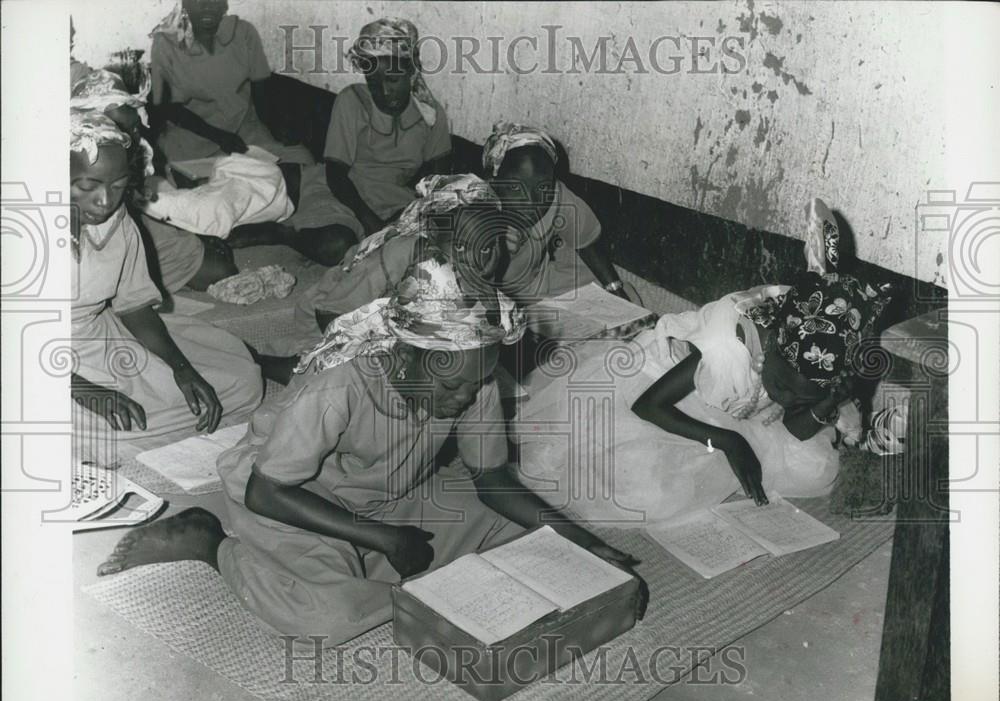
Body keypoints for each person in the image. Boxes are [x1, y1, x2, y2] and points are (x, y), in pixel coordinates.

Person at [97, 258, 645, 646]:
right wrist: (382, 537)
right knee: (327, 617)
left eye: (474, 384)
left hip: (388, 492)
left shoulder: (471, 375)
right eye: (452, 386)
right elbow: (269, 489)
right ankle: (211, 542)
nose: (464, 399)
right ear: (407, 354)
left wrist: (581, 540)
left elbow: (492, 479)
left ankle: (378, 565)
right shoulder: (341, 383)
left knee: (526, 529)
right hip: (294, 501)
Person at [511, 199, 894, 526]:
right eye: (789, 386)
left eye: (803, 394)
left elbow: (792, 425)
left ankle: (715, 452)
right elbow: (648, 405)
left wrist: (826, 404)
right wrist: (728, 441)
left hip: (735, 409)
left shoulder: (804, 364)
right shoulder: (725, 344)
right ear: (776, 343)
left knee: (816, 470)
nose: (789, 396)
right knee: (640, 492)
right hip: (656, 387)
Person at [69, 111, 263, 465]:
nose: (104, 201)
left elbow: (133, 306)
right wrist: (86, 391)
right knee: (106, 435)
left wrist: (181, 368)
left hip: (100, 338)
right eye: (87, 187)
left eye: (118, 186)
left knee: (243, 381)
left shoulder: (119, 221)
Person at [148, 0, 346, 264]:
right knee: (210, 182)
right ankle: (215, 218)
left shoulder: (244, 34)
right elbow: (165, 105)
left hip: (245, 126)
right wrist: (217, 135)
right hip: (192, 135)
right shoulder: (166, 42)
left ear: (224, 5)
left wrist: (275, 126)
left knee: (297, 164)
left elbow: (261, 85)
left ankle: (242, 222)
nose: (206, 8)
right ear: (185, 5)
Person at [258, 174, 504, 373]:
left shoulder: (482, 264)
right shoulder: (401, 253)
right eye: (461, 246)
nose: (477, 260)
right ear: (431, 232)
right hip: (340, 315)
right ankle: (264, 364)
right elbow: (331, 314)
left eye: (489, 246)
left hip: (407, 327)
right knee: (336, 374)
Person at [71, 65, 237, 293]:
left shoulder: (134, 148)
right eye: (117, 128)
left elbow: (131, 202)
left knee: (219, 269)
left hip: (128, 219)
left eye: (133, 128)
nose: (130, 139)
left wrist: (188, 233)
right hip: (95, 232)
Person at [319, 18, 453, 263]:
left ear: (411, 72)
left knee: (418, 247)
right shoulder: (352, 101)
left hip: (393, 199)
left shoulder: (431, 115)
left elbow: (438, 181)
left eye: (393, 80)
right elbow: (335, 173)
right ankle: (282, 233)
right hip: (345, 193)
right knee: (335, 246)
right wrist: (368, 219)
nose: (384, 91)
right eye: (373, 82)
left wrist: (421, 219)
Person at [482, 121, 636, 304]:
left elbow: (585, 242)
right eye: (515, 187)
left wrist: (614, 288)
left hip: (532, 284)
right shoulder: (475, 207)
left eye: (543, 186)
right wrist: (494, 244)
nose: (531, 201)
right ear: (492, 181)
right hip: (486, 292)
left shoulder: (556, 195)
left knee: (614, 294)